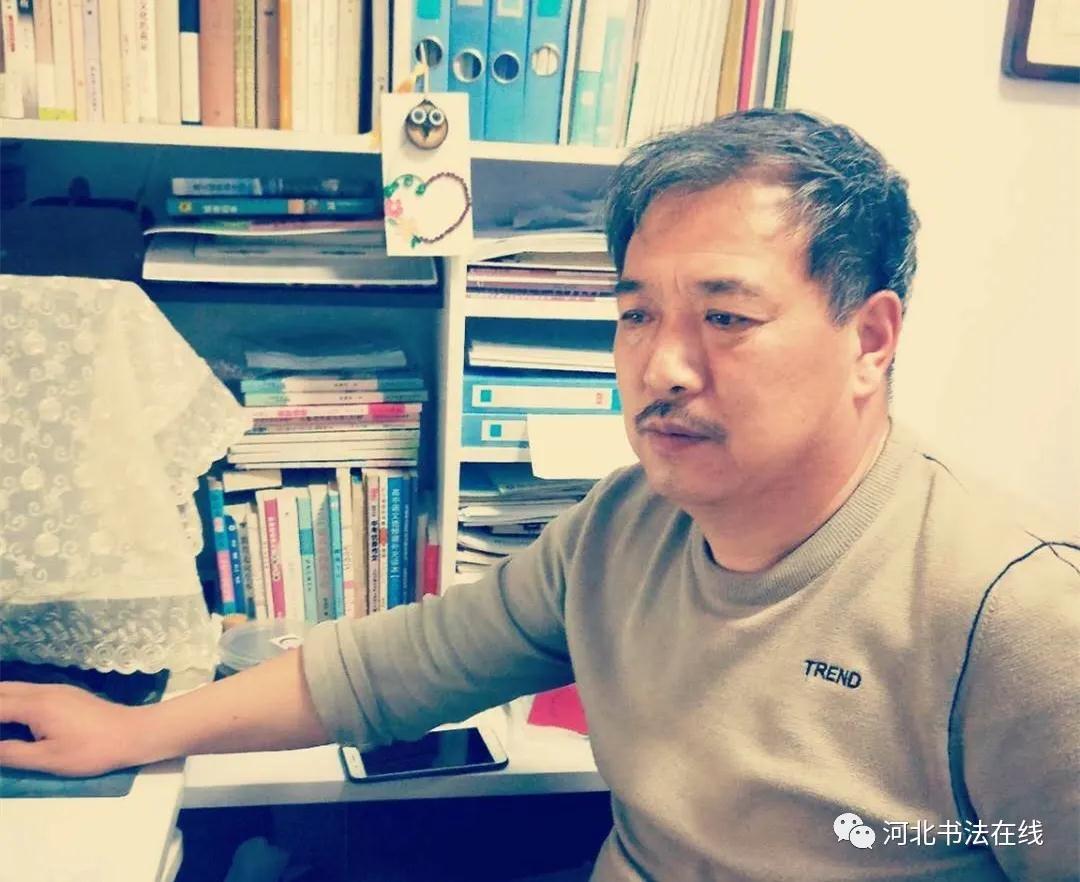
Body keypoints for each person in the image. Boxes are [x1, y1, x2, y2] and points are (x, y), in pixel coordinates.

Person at [1, 110, 1077, 882]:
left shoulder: (1019, 617)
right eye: (636, 314)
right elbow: (394, 670)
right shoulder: (623, 527)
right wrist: (129, 733)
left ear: (871, 340)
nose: (662, 367)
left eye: (726, 317)